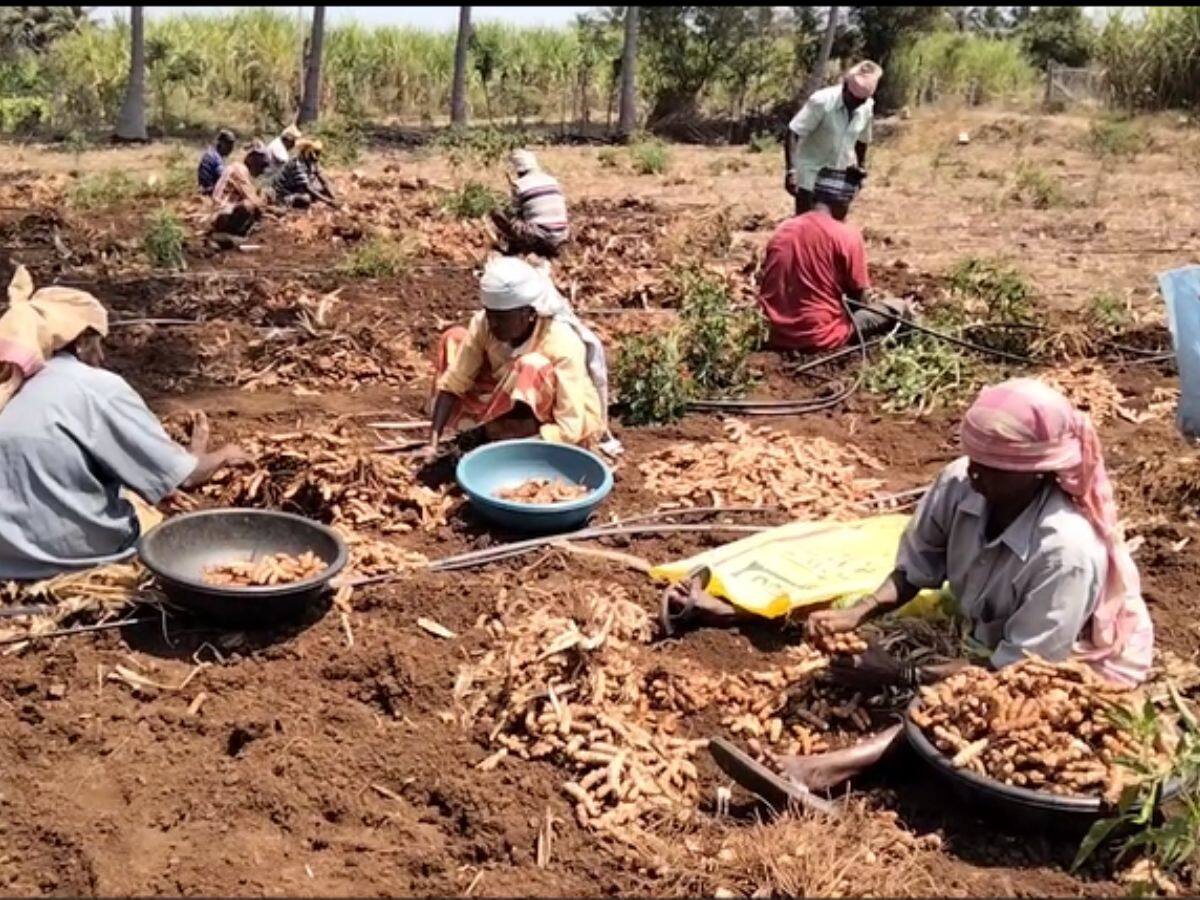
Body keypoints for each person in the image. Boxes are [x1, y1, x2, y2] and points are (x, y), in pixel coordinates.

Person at [706, 378, 1155, 804]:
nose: (976, 474)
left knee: (975, 711)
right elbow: (917, 567)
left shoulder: (1065, 553)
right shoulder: (961, 483)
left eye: (993, 468)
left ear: (1037, 472)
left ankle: (828, 771)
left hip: (1074, 663)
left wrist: (902, 674)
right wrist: (859, 612)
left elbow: (1018, 671)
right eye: (974, 459)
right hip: (991, 637)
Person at [0, 267, 250, 580]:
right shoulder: (96, 388)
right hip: (67, 559)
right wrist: (223, 454)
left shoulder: (9, 384)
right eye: (98, 344)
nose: (102, 357)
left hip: (6, 561)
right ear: (80, 342)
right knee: (147, 516)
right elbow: (187, 479)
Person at [427, 256, 608, 456]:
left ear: (528, 314)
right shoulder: (484, 325)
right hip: (502, 401)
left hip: (553, 424)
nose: (493, 324)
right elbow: (454, 381)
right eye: (490, 315)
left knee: (531, 366)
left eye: (502, 318)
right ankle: (481, 433)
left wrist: (496, 447)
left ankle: (502, 443)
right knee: (454, 338)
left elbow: (570, 427)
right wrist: (432, 443)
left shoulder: (561, 343)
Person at [758, 166, 910, 353]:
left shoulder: (783, 229)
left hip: (775, 333)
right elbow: (858, 301)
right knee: (899, 307)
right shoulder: (847, 235)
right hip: (819, 336)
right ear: (843, 203)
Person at [785, 61, 881, 216]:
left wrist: (861, 167)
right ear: (845, 87)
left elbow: (862, 140)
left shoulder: (866, 107)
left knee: (834, 227)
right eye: (853, 99)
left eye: (860, 101)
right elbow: (794, 132)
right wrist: (792, 170)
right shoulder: (822, 101)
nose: (856, 105)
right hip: (811, 180)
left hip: (840, 181)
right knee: (808, 226)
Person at [490, 150, 569, 258]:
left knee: (498, 212)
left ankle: (517, 249)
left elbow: (515, 213)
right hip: (562, 235)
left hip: (540, 236)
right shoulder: (553, 180)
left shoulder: (519, 185)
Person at [209, 142, 270, 243]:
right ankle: (226, 234)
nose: (263, 170)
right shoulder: (240, 170)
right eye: (262, 165)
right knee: (248, 205)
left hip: (223, 212)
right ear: (251, 158)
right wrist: (265, 202)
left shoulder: (239, 168)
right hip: (221, 215)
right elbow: (255, 202)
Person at [269, 139, 336, 209]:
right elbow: (307, 187)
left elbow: (323, 179)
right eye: (316, 153)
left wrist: (333, 197)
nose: (317, 156)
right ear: (308, 152)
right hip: (285, 191)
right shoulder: (298, 163)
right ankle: (286, 201)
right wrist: (329, 202)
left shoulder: (311, 161)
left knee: (326, 187)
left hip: (298, 186)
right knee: (306, 199)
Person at [197, 128, 236, 196]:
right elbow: (223, 177)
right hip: (210, 191)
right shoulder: (215, 157)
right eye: (228, 144)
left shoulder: (213, 154)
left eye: (232, 145)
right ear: (221, 143)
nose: (231, 148)